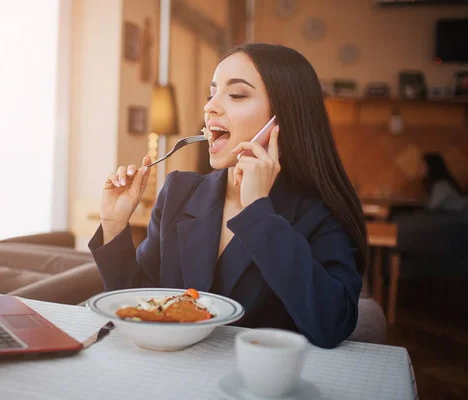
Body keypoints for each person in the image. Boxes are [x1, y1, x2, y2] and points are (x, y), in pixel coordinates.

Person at [88, 43, 367, 349]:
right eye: (212, 92)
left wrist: (259, 211)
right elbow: (141, 304)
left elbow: (332, 326)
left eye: (236, 95)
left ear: (281, 120)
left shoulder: (320, 213)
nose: (210, 107)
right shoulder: (178, 193)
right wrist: (113, 226)